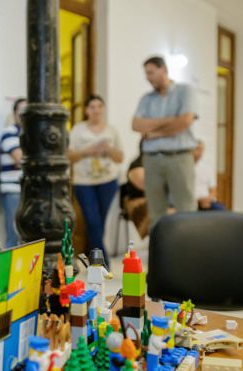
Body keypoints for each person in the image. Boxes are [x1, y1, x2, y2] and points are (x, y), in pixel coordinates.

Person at [131, 56, 197, 229]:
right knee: (155, 212)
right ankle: (160, 254)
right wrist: (169, 120)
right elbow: (136, 124)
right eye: (146, 74)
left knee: (186, 210)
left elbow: (185, 121)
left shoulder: (185, 91)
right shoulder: (146, 99)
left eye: (151, 72)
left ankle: (188, 254)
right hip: (152, 160)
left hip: (179, 158)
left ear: (164, 70)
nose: (148, 77)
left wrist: (153, 132)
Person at [68, 95, 124, 265]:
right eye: (92, 107)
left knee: (100, 223)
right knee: (93, 221)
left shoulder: (111, 130)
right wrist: (90, 150)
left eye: (99, 106)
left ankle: (96, 262)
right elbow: (69, 156)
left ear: (103, 109)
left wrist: (107, 148)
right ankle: (102, 263)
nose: (96, 110)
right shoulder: (78, 130)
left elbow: (119, 157)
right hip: (84, 183)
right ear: (86, 110)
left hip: (108, 181)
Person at [0, 98, 26, 248]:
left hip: (28, 190)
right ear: (14, 114)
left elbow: (22, 160)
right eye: (21, 111)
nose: (24, 115)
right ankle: (9, 271)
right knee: (13, 234)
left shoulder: (30, 135)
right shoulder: (9, 132)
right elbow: (20, 158)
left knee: (27, 235)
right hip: (12, 190)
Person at [193, 140, 225, 211]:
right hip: (192, 201)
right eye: (197, 149)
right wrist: (198, 201)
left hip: (207, 201)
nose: (199, 152)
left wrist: (208, 199)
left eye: (201, 149)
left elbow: (213, 190)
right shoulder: (185, 168)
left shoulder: (208, 168)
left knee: (221, 209)